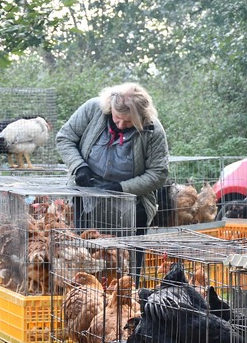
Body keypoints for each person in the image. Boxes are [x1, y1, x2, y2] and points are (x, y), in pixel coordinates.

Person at [56, 82, 170, 232]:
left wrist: (120, 188)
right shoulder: (93, 109)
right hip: (87, 197)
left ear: (141, 118)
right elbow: (64, 138)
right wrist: (79, 167)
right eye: (117, 117)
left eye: (129, 121)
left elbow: (158, 174)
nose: (121, 125)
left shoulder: (153, 130)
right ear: (110, 108)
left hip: (131, 203)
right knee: (87, 249)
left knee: (126, 254)